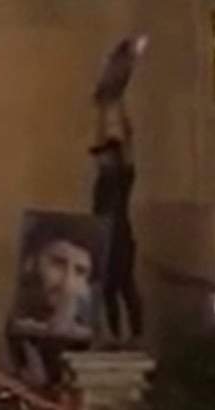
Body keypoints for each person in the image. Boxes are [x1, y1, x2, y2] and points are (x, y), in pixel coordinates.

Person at [9, 215, 100, 384]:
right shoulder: (12, 322)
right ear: (30, 263)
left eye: (80, 272)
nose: (67, 283)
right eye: (58, 263)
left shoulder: (86, 337)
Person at [90, 102, 143, 343]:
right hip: (106, 239)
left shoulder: (122, 177)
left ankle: (136, 333)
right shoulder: (101, 183)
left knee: (125, 285)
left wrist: (119, 112)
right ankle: (115, 334)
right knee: (109, 288)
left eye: (104, 156)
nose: (100, 160)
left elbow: (128, 151)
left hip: (121, 239)